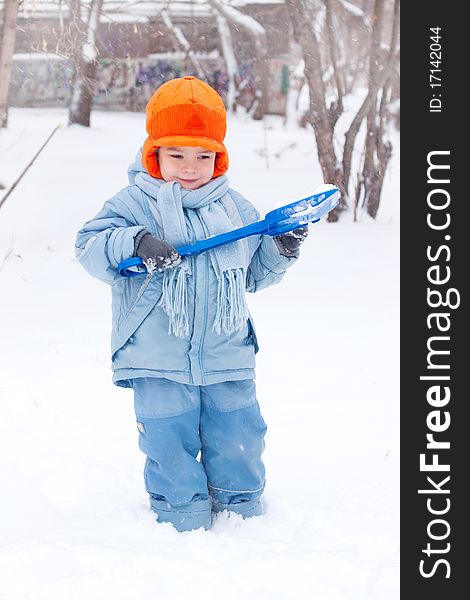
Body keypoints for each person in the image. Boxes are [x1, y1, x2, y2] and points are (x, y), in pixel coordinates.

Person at [75, 76, 308, 532]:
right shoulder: (132, 204)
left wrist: (281, 248)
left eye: (203, 156)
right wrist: (136, 241)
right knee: (168, 440)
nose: (190, 166)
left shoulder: (236, 209)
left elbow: (253, 276)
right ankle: (181, 514)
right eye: (176, 154)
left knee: (240, 436)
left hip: (227, 353)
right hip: (156, 354)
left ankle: (242, 515)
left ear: (218, 158)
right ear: (154, 153)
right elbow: (90, 247)